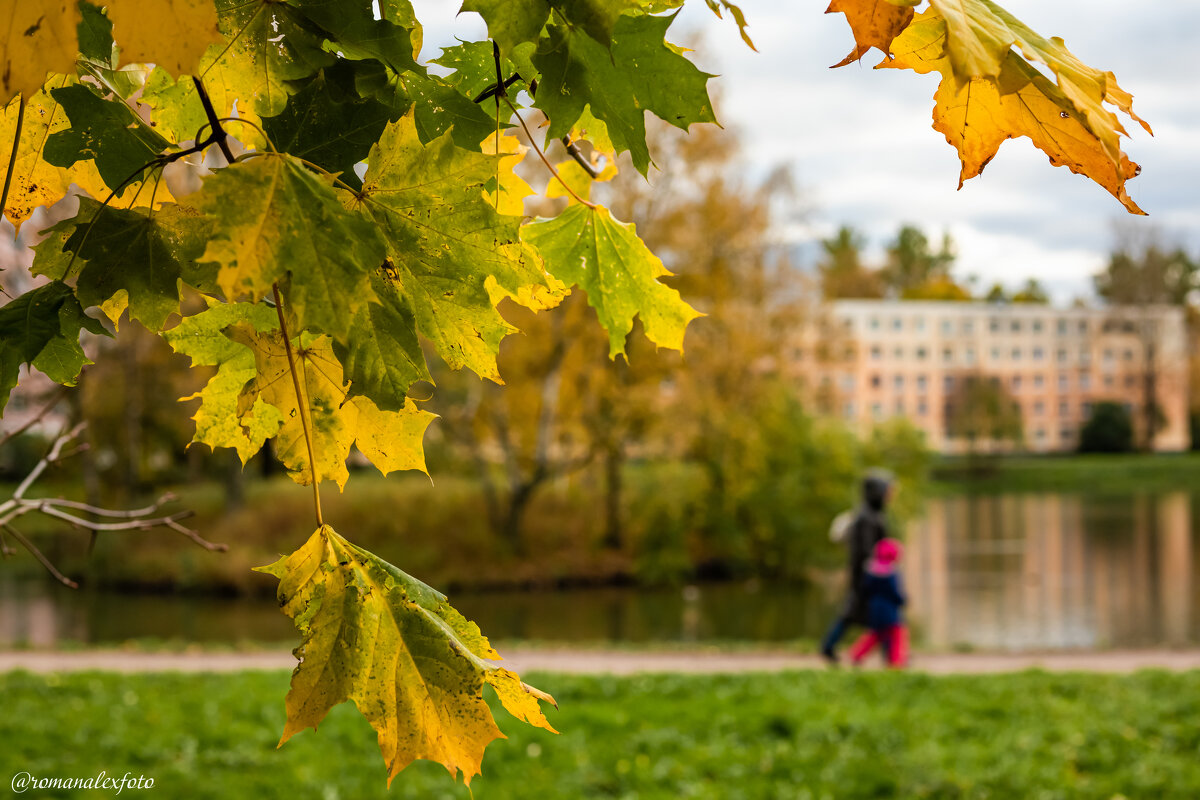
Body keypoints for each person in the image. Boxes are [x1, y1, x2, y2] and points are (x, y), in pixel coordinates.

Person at [820, 469, 893, 664]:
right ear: (877, 491)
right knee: (876, 614)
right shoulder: (867, 518)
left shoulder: (871, 515)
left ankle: (889, 654)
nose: (890, 495)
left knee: (872, 615)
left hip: (867, 575)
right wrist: (878, 572)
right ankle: (830, 647)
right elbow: (868, 550)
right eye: (887, 490)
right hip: (866, 576)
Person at [847, 538, 909, 667]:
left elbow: (865, 590)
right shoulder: (892, 573)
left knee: (875, 635)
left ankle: (856, 654)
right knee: (897, 635)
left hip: (874, 608)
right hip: (889, 610)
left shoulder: (870, 571)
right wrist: (902, 600)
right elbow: (894, 592)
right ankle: (896, 661)